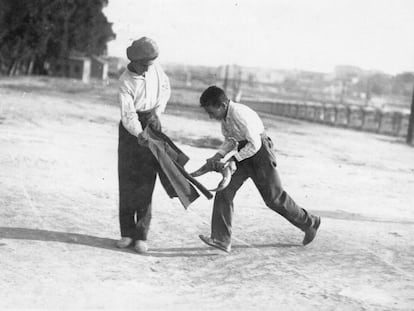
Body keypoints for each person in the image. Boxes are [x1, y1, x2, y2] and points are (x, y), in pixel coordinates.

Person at [198, 86, 321, 253]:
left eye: (211, 112)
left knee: (274, 199)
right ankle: (221, 239)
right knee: (224, 191)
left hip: (260, 152)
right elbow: (231, 140)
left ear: (223, 104)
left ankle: (310, 223)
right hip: (244, 151)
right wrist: (218, 155)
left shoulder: (239, 114)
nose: (211, 117)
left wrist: (234, 159)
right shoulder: (225, 119)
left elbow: (255, 144)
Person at [116, 37, 171, 253]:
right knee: (128, 180)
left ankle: (141, 235)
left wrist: (157, 113)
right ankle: (127, 233)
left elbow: (165, 88)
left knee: (147, 180)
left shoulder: (155, 68)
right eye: (145, 65)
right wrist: (139, 133)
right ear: (136, 61)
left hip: (153, 122)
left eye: (151, 64)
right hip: (131, 131)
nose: (149, 68)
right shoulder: (125, 81)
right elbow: (128, 114)